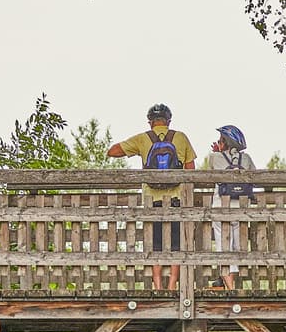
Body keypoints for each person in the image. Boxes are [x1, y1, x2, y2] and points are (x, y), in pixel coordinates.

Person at [106, 103, 195, 290]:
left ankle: (157, 285)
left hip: (151, 199)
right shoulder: (181, 138)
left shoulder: (142, 139)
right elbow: (191, 170)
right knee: (176, 244)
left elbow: (112, 151)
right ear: (169, 121)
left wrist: (136, 150)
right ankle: (172, 285)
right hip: (176, 199)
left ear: (150, 123)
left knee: (155, 243)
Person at [204, 124, 256, 290]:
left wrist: (218, 153)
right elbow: (254, 175)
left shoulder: (215, 157)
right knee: (235, 247)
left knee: (222, 246)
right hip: (240, 209)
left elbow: (210, 172)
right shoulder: (246, 158)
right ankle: (227, 283)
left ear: (224, 142)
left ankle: (230, 288)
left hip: (221, 208)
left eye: (220, 140)